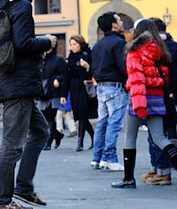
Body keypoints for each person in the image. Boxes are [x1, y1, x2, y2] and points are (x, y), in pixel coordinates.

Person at [0, 0, 57, 209]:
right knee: (12, 143)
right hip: (18, 82)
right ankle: (2, 200)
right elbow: (23, 44)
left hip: (8, 79)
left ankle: (23, 187)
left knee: (40, 131)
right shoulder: (22, 5)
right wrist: (46, 41)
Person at [111, 19, 177, 188]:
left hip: (139, 98)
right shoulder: (160, 50)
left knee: (129, 136)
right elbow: (164, 76)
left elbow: (136, 79)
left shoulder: (134, 51)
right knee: (160, 137)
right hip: (157, 98)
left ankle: (128, 179)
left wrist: (139, 107)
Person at [90, 12, 128, 171]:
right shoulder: (119, 42)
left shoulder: (98, 44)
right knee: (114, 123)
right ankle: (109, 157)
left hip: (102, 86)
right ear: (114, 24)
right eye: (119, 20)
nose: (121, 22)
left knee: (102, 123)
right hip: (115, 86)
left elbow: (93, 67)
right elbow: (123, 66)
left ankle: (97, 157)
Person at [141, 18, 177, 185]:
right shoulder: (172, 45)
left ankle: (162, 171)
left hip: (158, 93)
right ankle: (159, 169)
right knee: (165, 132)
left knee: (156, 134)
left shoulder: (156, 49)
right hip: (170, 93)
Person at [61, 34, 97, 152]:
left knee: (82, 114)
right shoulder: (69, 59)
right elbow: (66, 78)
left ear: (80, 44)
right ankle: (94, 137)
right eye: (71, 44)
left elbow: (94, 72)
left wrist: (87, 67)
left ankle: (80, 141)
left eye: (75, 44)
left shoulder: (88, 55)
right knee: (81, 116)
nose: (72, 47)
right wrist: (63, 95)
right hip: (74, 89)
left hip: (85, 88)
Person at [40, 46, 67, 151]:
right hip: (42, 94)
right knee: (45, 118)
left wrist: (57, 79)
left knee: (50, 118)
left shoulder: (58, 60)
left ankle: (48, 142)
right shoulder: (40, 60)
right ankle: (58, 135)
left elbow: (65, 75)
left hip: (54, 93)